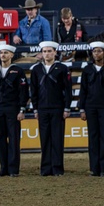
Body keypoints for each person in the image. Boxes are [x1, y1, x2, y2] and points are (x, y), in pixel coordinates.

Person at [30, 40, 72, 176]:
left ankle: (57, 168)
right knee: (45, 138)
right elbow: (34, 90)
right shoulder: (36, 69)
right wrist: (35, 108)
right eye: (44, 51)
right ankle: (46, 168)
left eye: (49, 51)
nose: (47, 54)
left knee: (57, 138)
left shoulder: (62, 68)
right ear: (41, 54)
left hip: (58, 108)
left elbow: (68, 89)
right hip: (42, 108)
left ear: (55, 52)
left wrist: (67, 108)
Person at [0, 44, 29, 177]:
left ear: (11, 55)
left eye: (6, 53)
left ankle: (13, 169)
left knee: (14, 139)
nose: (3, 55)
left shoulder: (18, 71)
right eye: (1, 53)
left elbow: (23, 91)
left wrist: (22, 109)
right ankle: (3, 167)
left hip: (13, 109)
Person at [78, 41, 104, 177]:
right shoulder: (87, 70)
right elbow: (83, 90)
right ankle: (94, 168)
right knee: (93, 137)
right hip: (90, 107)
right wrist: (81, 109)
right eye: (94, 51)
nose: (97, 54)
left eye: (99, 51)